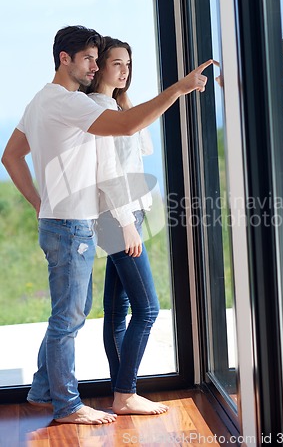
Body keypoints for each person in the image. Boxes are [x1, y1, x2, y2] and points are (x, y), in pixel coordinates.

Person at [1, 25, 212, 424]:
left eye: (100, 60)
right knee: (69, 319)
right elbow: (127, 126)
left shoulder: (40, 100)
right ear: (64, 58)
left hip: (63, 222)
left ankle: (45, 389)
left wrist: (38, 202)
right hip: (73, 225)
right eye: (89, 59)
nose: (95, 67)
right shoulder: (70, 103)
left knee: (71, 313)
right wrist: (178, 90)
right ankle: (67, 405)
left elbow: (10, 156)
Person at [86, 36, 167, 415]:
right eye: (117, 63)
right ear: (98, 66)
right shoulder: (96, 110)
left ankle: (122, 392)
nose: (125, 71)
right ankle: (125, 392)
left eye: (128, 64)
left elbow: (145, 147)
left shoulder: (114, 106)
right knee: (147, 309)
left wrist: (126, 103)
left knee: (117, 309)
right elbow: (109, 175)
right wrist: (127, 224)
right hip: (118, 217)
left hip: (125, 215)